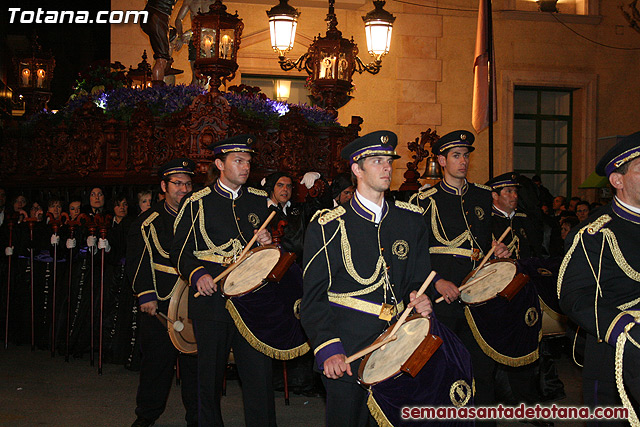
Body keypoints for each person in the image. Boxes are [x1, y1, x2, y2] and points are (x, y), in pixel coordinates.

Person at [302, 131, 464, 426]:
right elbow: (313, 298)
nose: (387, 168)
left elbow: (417, 277)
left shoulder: (410, 219)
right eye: (377, 161)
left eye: (389, 161)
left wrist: (420, 300)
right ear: (356, 169)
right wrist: (328, 348)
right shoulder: (328, 227)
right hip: (347, 346)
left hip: (398, 343)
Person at [170, 135, 277, 427]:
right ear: (219, 164)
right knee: (209, 377)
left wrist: (268, 243)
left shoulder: (258, 199)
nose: (245, 167)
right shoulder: (197, 202)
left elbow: (267, 253)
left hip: (251, 302)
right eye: (238, 161)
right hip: (212, 301)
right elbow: (179, 251)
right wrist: (197, 274)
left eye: (248, 162)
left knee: (259, 376)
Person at [409, 130, 510, 419]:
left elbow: (482, 241)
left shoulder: (481, 195)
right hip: (442, 290)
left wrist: (497, 249)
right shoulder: (425, 199)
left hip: (477, 290)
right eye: (456, 156)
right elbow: (418, 252)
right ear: (441, 160)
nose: (463, 161)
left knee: (482, 365)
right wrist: (437, 281)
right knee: (442, 363)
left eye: (466, 155)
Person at [559, 131, 640, 423]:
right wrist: (623, 328)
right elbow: (573, 296)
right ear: (617, 181)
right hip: (614, 354)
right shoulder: (595, 232)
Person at [126, 159, 198, 427]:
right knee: (156, 365)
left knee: (195, 366)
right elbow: (138, 260)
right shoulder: (148, 221)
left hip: (193, 304)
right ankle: (146, 415)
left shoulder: (198, 216)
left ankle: (198, 417)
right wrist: (146, 294)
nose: (183, 189)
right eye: (177, 183)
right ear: (164, 186)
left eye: (188, 184)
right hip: (161, 304)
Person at [486, 172, 540, 259]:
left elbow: (535, 250)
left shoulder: (523, 218)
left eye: (515, 191)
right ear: (495, 195)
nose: (515, 196)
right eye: (509, 191)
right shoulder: (486, 220)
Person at [140, 0, 181, 84]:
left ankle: (167, 64)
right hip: (158, 16)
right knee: (161, 59)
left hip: (151, 14)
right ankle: (157, 90)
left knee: (172, 34)